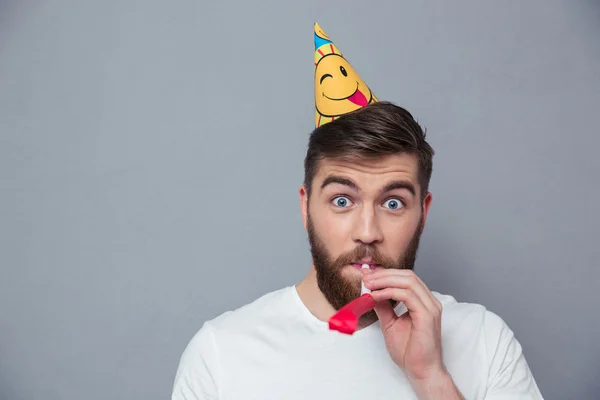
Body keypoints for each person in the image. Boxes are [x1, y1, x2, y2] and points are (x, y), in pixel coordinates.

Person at [171, 24, 544, 400]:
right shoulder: (221, 355)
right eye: (342, 201)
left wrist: (431, 378)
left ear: (423, 213)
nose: (367, 232)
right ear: (306, 207)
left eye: (393, 203)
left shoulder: (484, 340)